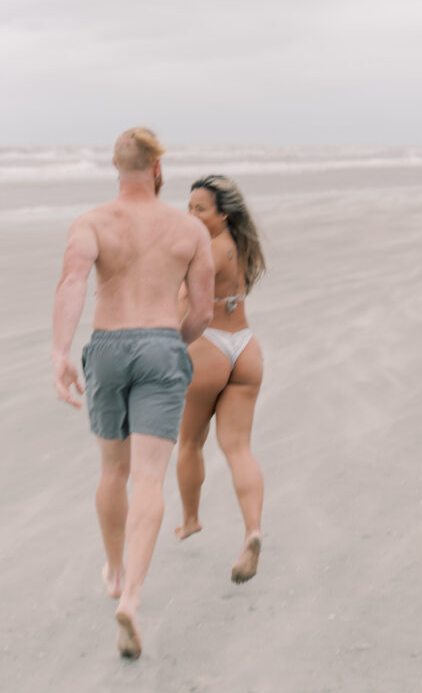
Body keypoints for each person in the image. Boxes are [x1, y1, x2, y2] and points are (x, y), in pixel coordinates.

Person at [52, 128, 214, 660]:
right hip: (162, 345)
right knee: (148, 478)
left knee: (112, 473)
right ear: (159, 171)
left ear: (116, 170)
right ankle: (134, 599)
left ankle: (115, 571)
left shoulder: (92, 221)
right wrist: (171, 343)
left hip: (107, 346)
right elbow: (204, 312)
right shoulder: (188, 228)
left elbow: (73, 281)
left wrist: (60, 354)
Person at [175, 174, 266, 583]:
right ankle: (253, 531)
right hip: (245, 347)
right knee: (239, 449)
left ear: (223, 213)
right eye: (189, 206)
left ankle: (191, 519)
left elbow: (181, 306)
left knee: (191, 441)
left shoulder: (201, 252)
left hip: (208, 347)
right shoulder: (242, 246)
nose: (190, 214)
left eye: (200, 209)